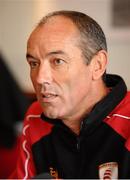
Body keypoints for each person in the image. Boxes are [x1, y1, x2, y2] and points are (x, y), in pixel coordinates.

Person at [10, 10, 130, 179]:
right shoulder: (35, 116)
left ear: (97, 65)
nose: (40, 78)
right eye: (34, 63)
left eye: (57, 61)